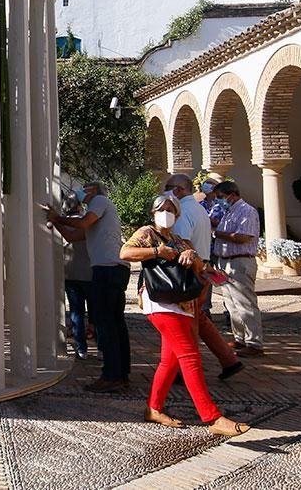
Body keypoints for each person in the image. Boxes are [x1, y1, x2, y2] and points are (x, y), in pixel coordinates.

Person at [120, 194, 250, 437]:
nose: (166, 213)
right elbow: (125, 253)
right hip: (160, 303)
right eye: (162, 209)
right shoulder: (147, 233)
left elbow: (199, 266)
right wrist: (157, 251)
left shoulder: (179, 240)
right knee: (190, 357)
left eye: (171, 209)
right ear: (153, 212)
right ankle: (212, 417)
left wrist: (193, 258)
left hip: (183, 305)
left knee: (170, 362)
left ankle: (154, 408)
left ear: (177, 215)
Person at [46, 181, 130, 393]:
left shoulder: (100, 202)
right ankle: (121, 372)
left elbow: (83, 223)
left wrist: (58, 217)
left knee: (106, 324)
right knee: (115, 324)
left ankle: (112, 376)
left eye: (85, 188)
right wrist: (55, 221)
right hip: (113, 270)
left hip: (107, 270)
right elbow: (73, 236)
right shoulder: (100, 220)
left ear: (94, 192)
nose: (81, 192)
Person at [164, 175, 242, 380]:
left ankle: (185, 368)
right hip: (201, 266)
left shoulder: (184, 211)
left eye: (168, 188)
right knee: (199, 318)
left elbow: (183, 243)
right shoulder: (198, 208)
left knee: (185, 321)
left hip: (190, 269)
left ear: (179, 190)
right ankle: (229, 360)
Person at [211, 181, 264, 357]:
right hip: (225, 262)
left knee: (245, 303)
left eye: (220, 197)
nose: (218, 201)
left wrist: (217, 233)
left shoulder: (246, 211)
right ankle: (240, 338)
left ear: (231, 195)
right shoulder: (228, 212)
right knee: (232, 304)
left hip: (240, 262)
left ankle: (254, 342)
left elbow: (243, 237)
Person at [51, 196, 92, 360]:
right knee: (96, 312)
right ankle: (102, 348)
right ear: (80, 207)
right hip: (89, 273)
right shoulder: (87, 222)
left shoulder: (60, 224)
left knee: (77, 312)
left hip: (70, 273)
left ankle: (81, 348)